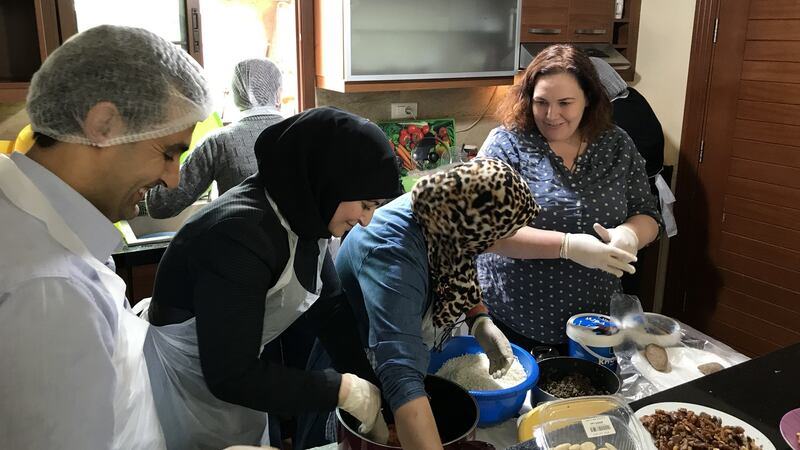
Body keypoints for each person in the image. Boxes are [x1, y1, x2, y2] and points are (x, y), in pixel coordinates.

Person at [0, 25, 212, 449]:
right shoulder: (52, 290)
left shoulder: (24, 205)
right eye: (169, 152)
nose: (172, 180)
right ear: (104, 124)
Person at [142, 107, 403, 449]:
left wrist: (373, 391)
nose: (367, 221)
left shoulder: (306, 214)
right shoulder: (239, 235)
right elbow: (229, 376)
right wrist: (342, 390)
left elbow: (332, 312)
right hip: (185, 387)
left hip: (241, 375)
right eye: (366, 205)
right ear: (332, 179)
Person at [334, 158, 541, 450]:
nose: (493, 247)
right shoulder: (393, 257)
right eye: (492, 239)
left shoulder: (443, 210)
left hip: (395, 343)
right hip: (358, 359)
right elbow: (399, 370)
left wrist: (478, 318)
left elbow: (456, 261)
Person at [475, 44, 663, 353]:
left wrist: (630, 234)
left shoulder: (616, 144)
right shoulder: (507, 144)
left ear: (588, 99)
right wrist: (566, 247)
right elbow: (483, 231)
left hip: (598, 324)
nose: (551, 115)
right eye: (541, 103)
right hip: (515, 319)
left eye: (565, 103)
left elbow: (646, 212)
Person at [145, 58, 285, 218]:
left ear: (235, 94)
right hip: (302, 243)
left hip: (239, 240)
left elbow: (160, 205)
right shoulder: (303, 132)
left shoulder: (219, 142)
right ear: (278, 92)